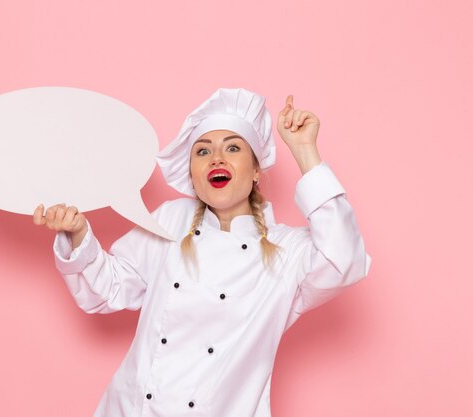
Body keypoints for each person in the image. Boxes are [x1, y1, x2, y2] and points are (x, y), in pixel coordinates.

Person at [33, 88, 372, 417]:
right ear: (193, 175)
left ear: (256, 171)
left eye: (233, 148)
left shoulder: (287, 252)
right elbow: (107, 290)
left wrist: (304, 151)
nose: (217, 159)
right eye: (203, 151)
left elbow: (344, 260)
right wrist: (77, 234)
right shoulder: (170, 219)